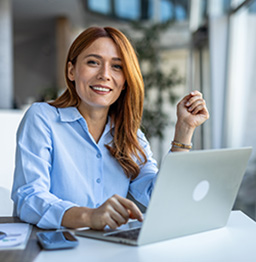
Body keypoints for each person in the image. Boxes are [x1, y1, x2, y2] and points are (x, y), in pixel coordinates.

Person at [11, 26, 209, 230]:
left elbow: (160, 199)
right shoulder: (43, 118)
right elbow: (29, 198)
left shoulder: (130, 135)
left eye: (117, 66)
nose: (105, 75)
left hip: (111, 248)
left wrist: (184, 130)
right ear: (71, 71)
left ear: (124, 81)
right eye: (93, 62)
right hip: (54, 248)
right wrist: (89, 216)